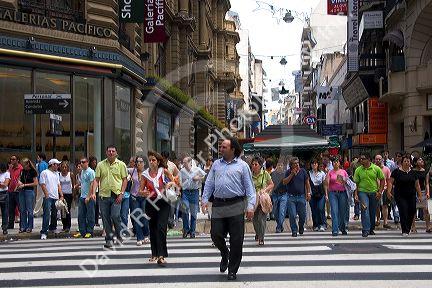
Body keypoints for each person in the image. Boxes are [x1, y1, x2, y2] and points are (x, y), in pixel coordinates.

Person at [201, 137, 256, 281]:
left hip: (236, 203)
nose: (221, 149)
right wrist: (204, 199)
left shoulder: (243, 166)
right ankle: (225, 253)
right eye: (221, 146)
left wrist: (251, 206)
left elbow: (250, 188)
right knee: (215, 234)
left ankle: (232, 270)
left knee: (237, 239)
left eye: (224, 147)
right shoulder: (216, 165)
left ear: (233, 149)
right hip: (219, 204)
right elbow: (209, 183)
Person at [140, 150, 175, 266]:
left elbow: (174, 181)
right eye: (149, 160)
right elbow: (140, 190)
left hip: (164, 201)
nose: (151, 162)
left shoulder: (163, 171)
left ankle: (161, 255)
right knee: (153, 228)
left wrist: (169, 184)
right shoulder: (145, 175)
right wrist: (144, 193)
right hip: (151, 202)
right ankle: (154, 253)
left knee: (161, 227)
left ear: (158, 161)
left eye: (153, 160)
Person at [94, 146, 128, 248]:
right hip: (104, 195)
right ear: (106, 152)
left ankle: (119, 235)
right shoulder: (100, 165)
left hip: (116, 195)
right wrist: (93, 193)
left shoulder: (121, 165)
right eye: (109, 151)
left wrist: (122, 193)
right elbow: (96, 179)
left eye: (113, 151)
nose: (111, 153)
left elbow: (125, 180)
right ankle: (109, 239)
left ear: (116, 153)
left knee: (115, 216)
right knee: (105, 219)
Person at [387, 155, 422, 236]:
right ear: (402, 162)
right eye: (405, 161)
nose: (407, 163)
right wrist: (389, 192)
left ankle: (408, 227)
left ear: (410, 162)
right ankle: (404, 230)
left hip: (411, 195)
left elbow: (417, 185)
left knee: (412, 210)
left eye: (408, 161)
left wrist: (419, 195)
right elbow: (391, 182)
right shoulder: (396, 172)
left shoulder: (413, 173)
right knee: (403, 210)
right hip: (400, 195)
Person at [353, 153, 385, 237]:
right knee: (365, 209)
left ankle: (371, 228)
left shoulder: (376, 168)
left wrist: (380, 192)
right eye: (361, 159)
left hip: (374, 192)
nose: (361, 160)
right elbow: (356, 183)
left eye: (363, 159)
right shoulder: (358, 170)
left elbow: (382, 179)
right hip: (362, 192)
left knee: (372, 211)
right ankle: (365, 229)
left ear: (368, 160)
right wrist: (356, 194)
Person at [283, 157, 311, 237]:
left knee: (303, 215)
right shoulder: (288, 172)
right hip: (291, 197)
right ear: (291, 165)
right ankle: (294, 230)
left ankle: (301, 226)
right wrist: (292, 174)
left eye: (297, 163)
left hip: (301, 196)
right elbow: (284, 182)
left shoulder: (303, 171)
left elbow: (307, 183)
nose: (297, 164)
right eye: (295, 163)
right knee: (292, 214)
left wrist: (308, 193)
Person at [179, 156, 206, 238]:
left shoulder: (196, 169)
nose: (183, 164)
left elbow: (204, 176)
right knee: (185, 210)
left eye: (185, 162)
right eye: (183, 162)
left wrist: (198, 178)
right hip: (185, 192)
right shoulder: (182, 171)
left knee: (194, 213)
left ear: (190, 162)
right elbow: (180, 182)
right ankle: (186, 229)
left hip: (194, 192)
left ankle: (192, 231)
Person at [250, 157, 274, 245]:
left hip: (263, 199)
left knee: (262, 219)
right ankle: (257, 233)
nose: (254, 166)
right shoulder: (249, 175)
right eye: (252, 164)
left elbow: (271, 184)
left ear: (260, 165)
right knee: (255, 219)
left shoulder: (265, 174)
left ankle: (261, 237)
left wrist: (265, 189)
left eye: (256, 164)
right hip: (253, 199)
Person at [39, 159, 64, 239]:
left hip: (55, 197)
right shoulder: (44, 172)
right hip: (48, 197)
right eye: (57, 164)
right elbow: (42, 184)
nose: (58, 166)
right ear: (52, 165)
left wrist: (61, 195)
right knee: (46, 214)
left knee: (54, 214)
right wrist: (46, 194)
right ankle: (44, 231)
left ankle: (53, 227)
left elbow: (58, 185)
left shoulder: (57, 174)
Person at [129, 155, 150, 245]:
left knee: (144, 218)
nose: (138, 163)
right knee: (136, 217)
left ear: (144, 163)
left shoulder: (148, 173)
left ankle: (146, 235)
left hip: (145, 198)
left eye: (141, 162)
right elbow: (121, 169)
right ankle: (139, 238)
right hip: (134, 197)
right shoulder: (132, 171)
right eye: (137, 161)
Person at [326, 156, 349, 236]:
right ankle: (335, 230)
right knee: (334, 211)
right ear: (332, 163)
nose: (335, 163)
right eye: (334, 162)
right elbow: (327, 183)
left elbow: (348, 182)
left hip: (342, 192)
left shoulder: (343, 171)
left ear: (339, 163)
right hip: (333, 193)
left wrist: (344, 180)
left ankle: (343, 228)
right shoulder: (330, 172)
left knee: (342, 212)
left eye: (337, 161)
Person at [73, 157, 96, 238]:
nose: (82, 163)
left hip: (88, 197)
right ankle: (82, 231)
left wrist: (89, 196)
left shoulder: (91, 172)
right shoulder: (82, 172)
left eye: (83, 162)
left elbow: (92, 184)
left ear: (87, 162)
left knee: (90, 215)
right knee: (81, 215)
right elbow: (83, 182)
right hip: (82, 196)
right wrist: (77, 185)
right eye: (81, 162)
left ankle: (90, 231)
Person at [17, 158, 38, 233]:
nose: (22, 166)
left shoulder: (33, 172)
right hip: (22, 191)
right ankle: (23, 226)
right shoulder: (22, 171)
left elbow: (35, 183)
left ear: (28, 164)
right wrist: (19, 182)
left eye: (23, 165)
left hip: (29, 191)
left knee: (29, 210)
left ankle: (30, 226)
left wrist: (25, 185)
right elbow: (19, 179)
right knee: (22, 210)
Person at [412, 157, 430, 233]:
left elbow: (427, 183)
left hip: (423, 191)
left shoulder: (425, 171)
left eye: (422, 160)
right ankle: (413, 227)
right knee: (413, 210)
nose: (422, 161)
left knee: (426, 210)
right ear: (415, 162)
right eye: (419, 160)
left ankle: (428, 227)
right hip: (414, 192)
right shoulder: (412, 171)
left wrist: (428, 192)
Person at [374, 154, 392, 229]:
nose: (378, 160)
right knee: (376, 206)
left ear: (382, 160)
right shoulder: (372, 168)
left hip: (384, 189)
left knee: (385, 206)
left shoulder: (386, 169)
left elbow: (389, 180)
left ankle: (385, 222)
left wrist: (388, 191)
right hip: (375, 189)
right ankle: (377, 219)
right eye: (376, 159)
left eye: (379, 159)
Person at [309, 159, 327, 232]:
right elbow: (307, 184)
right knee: (314, 209)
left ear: (317, 165)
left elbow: (325, 184)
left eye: (315, 163)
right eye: (312, 163)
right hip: (312, 193)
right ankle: (315, 225)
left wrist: (326, 194)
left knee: (320, 208)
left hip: (321, 193)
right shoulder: (309, 173)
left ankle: (323, 224)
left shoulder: (322, 173)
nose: (314, 165)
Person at [271, 160, 288, 233]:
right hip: (275, 195)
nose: (280, 166)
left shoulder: (286, 174)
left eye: (281, 165)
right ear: (276, 166)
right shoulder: (272, 174)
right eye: (278, 165)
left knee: (282, 211)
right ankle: (280, 225)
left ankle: (278, 227)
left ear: (283, 166)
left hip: (283, 194)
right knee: (275, 212)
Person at [7, 155, 23, 229]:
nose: (11, 161)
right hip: (10, 191)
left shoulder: (20, 168)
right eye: (11, 159)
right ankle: (10, 224)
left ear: (17, 160)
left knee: (20, 208)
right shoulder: (11, 168)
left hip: (18, 191)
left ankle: (22, 225)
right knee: (11, 209)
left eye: (13, 159)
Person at [59, 161, 74, 232]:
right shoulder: (59, 175)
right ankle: (64, 225)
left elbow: (74, 184)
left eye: (65, 167)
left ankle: (68, 225)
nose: (64, 169)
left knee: (67, 209)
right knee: (62, 210)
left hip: (69, 194)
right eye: (63, 167)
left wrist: (74, 194)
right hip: (62, 194)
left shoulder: (70, 174)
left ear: (68, 168)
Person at [34, 153, 48, 217]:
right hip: (46, 183)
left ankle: (36, 212)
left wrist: (39, 182)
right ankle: (43, 211)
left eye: (38, 157)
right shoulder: (46, 164)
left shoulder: (40, 164)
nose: (37, 159)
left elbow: (41, 174)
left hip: (41, 183)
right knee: (45, 197)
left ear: (41, 158)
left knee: (39, 197)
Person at [89, 156, 100, 227]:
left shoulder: (97, 170)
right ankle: (92, 220)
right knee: (92, 206)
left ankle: (96, 220)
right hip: (91, 190)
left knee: (97, 205)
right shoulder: (90, 170)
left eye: (95, 162)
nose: (94, 163)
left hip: (97, 190)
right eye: (93, 162)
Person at [0, 163, 11, 235]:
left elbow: (5, 185)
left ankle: (4, 228)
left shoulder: (7, 174)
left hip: (4, 193)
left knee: (5, 212)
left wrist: (2, 184)